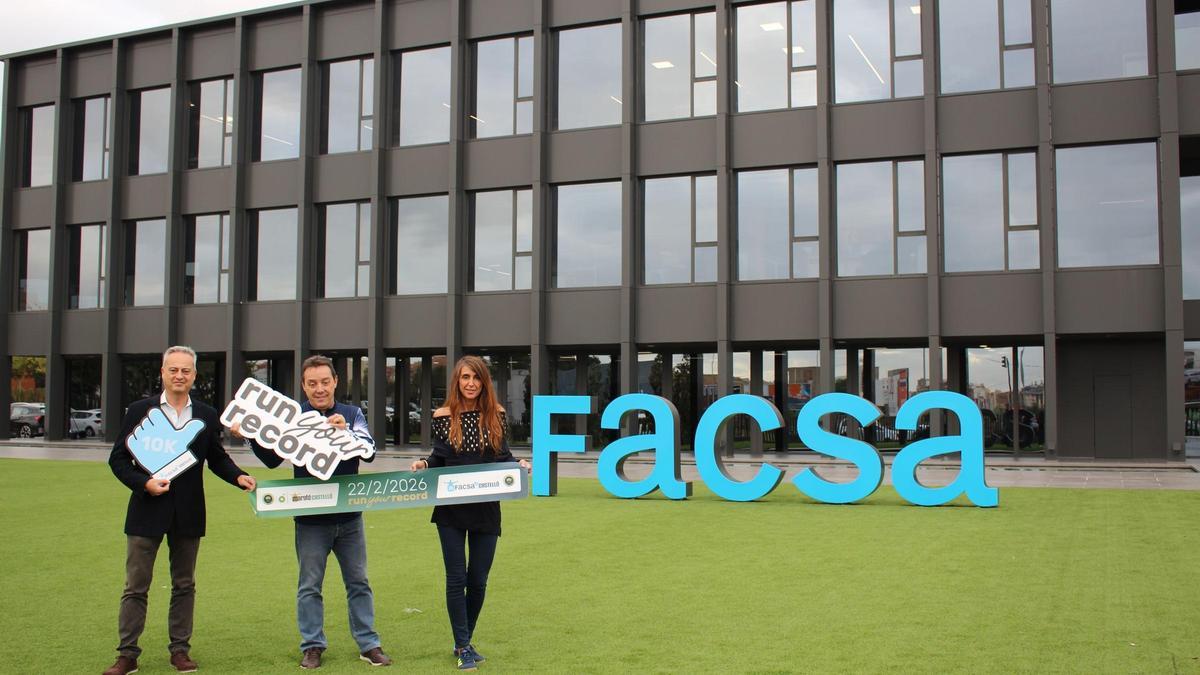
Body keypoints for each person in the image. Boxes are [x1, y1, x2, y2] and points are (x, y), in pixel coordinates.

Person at [104, 346, 257, 675]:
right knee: (135, 587)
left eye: (185, 371)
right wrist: (144, 483)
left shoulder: (204, 414)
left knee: (184, 585)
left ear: (194, 376)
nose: (179, 376)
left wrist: (238, 476)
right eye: (173, 370)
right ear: (162, 373)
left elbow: (215, 457)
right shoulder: (140, 411)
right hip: (146, 511)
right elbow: (118, 460)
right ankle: (127, 654)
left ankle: (180, 650)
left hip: (188, 513)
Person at [232, 355, 391, 669]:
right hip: (309, 519)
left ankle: (369, 644)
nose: (319, 389)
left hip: (349, 518)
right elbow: (271, 459)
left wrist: (345, 432)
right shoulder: (293, 418)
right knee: (309, 586)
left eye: (324, 382)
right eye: (312, 383)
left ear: (335, 382)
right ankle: (313, 646)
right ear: (304, 386)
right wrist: (249, 434)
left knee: (359, 582)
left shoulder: (352, 413)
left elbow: (369, 451)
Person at [409, 355, 530, 671]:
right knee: (456, 577)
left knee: (478, 580)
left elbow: (502, 455)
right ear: (457, 381)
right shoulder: (443, 415)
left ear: (483, 381)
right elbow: (440, 457)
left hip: (486, 507)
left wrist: (518, 465)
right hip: (450, 508)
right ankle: (463, 646)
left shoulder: (496, 414)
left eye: (476, 377)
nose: (471, 383)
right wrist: (424, 464)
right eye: (465, 377)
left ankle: (463, 640)